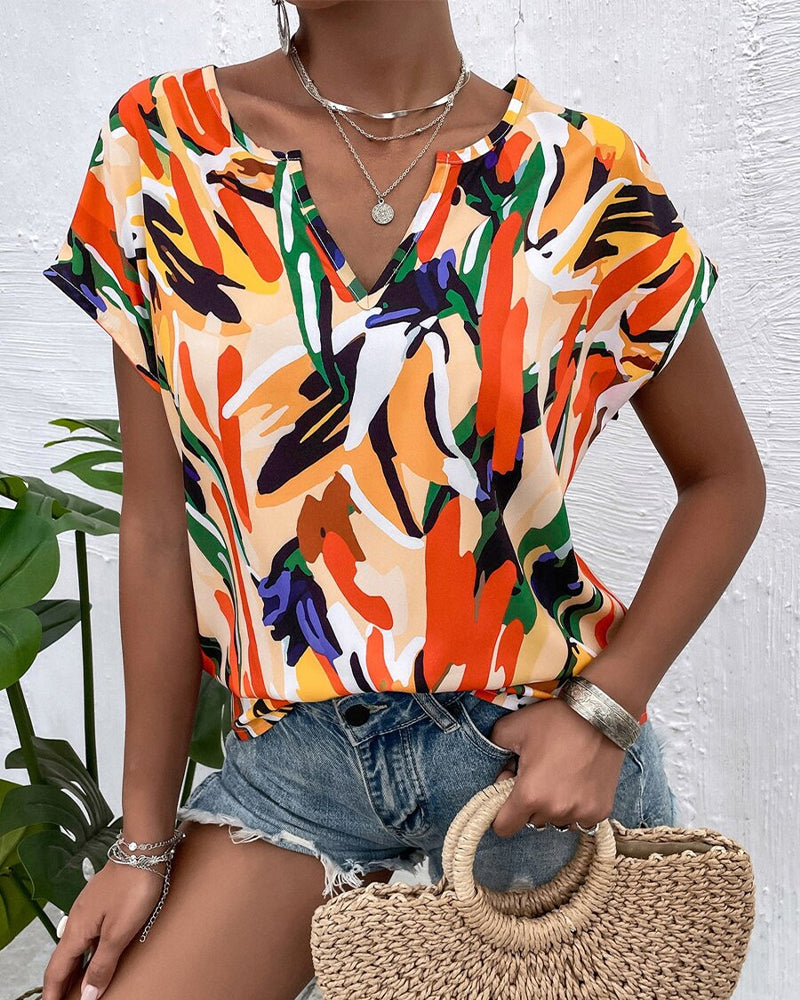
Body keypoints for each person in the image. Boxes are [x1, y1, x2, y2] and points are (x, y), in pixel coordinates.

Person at [38, 1, 765, 998]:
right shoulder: (163, 150)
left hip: (529, 761)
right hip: (299, 758)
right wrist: (142, 841)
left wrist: (601, 712)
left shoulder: (585, 178)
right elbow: (159, 528)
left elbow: (725, 481)